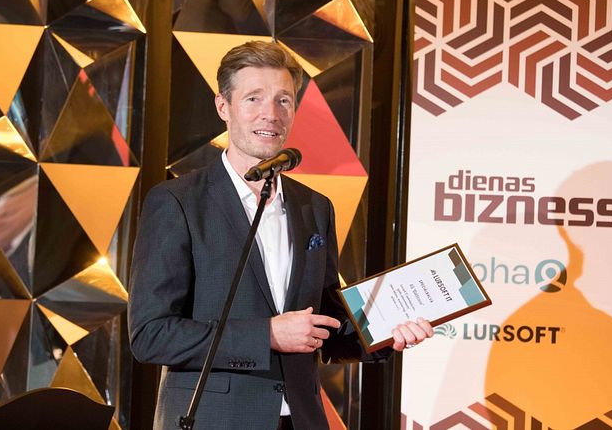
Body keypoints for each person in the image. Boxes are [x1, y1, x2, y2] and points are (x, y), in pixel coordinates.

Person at [128, 41, 433, 430]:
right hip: (213, 421)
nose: (270, 114)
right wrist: (266, 335)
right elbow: (151, 335)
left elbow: (324, 324)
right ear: (223, 107)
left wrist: (385, 332)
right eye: (253, 98)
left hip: (301, 420)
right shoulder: (177, 201)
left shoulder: (314, 207)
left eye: (283, 101)